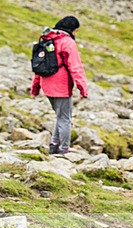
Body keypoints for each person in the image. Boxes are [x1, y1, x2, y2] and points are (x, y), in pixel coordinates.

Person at [30, 16, 88, 155]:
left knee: (60, 116)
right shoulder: (67, 42)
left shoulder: (48, 39)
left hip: (47, 86)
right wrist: (83, 89)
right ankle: (64, 150)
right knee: (65, 119)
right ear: (71, 29)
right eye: (75, 31)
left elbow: (39, 66)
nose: (75, 34)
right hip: (61, 87)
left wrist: (35, 88)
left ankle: (54, 145)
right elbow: (75, 67)